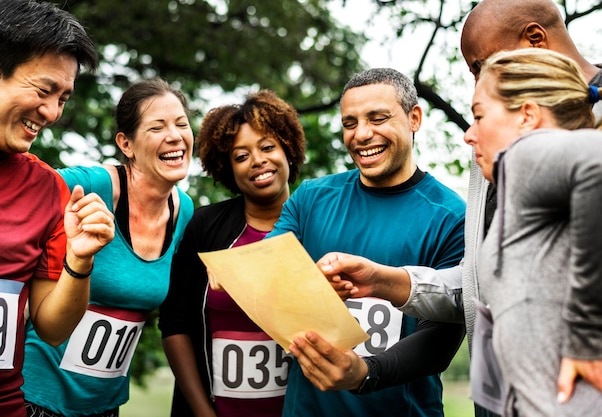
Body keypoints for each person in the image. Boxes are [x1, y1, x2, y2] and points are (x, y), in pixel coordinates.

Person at [309, 1, 602, 415]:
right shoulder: (494, 143)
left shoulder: (553, 145)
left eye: (481, 66)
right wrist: (386, 280)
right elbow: (482, 285)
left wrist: (585, 334)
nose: (469, 133)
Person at [264, 68, 466, 417]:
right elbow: (266, 265)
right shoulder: (310, 198)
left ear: (414, 118)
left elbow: (442, 338)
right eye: (350, 123)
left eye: (378, 118)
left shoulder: (452, 216)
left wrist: (366, 373)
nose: (362, 134)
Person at [20, 77, 195, 417]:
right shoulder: (92, 185)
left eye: (182, 124)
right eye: (157, 127)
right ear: (126, 144)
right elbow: (19, 186)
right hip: (34, 397)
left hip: (106, 405)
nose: (174, 136)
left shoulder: (184, 210)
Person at [0, 1, 115, 416]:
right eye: (43, 90)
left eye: (63, 98)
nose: (52, 113)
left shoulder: (49, 188)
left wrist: (80, 261)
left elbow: (52, 328)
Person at [467, 47, 602, 417]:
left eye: (478, 116)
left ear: (527, 116)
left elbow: (597, 162)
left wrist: (586, 335)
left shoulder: (524, 154)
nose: (469, 134)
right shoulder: (535, 193)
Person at [159, 90, 307, 417]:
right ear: (227, 169)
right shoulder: (204, 227)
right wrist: (202, 411)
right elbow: (174, 325)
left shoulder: (317, 227)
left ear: (289, 149)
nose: (257, 160)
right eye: (241, 156)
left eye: (268, 147)